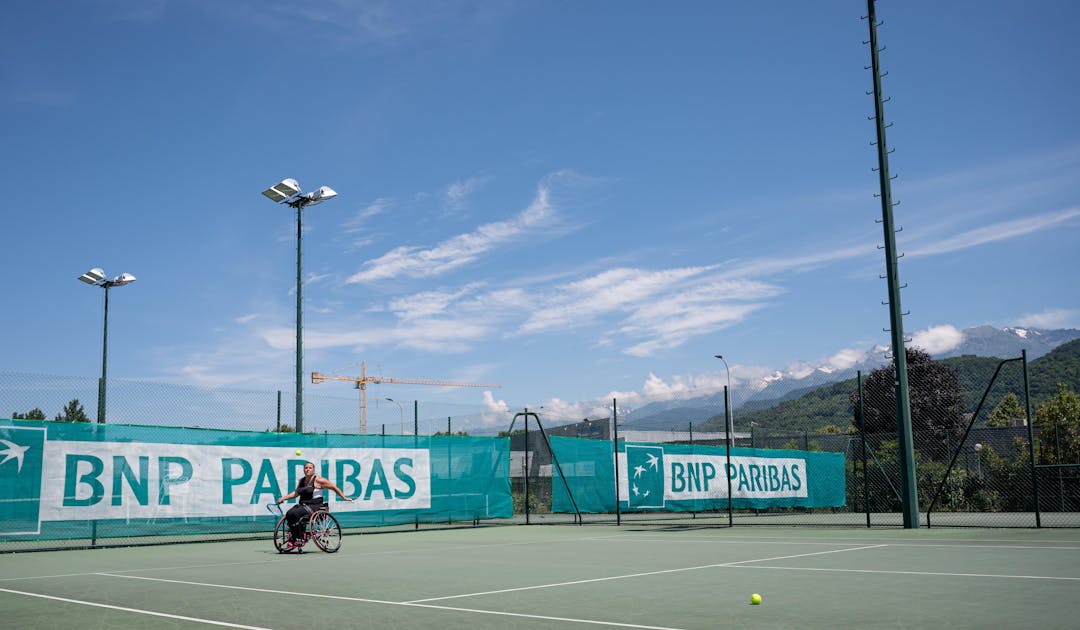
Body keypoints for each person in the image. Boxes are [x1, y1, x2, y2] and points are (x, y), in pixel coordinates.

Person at [276, 461, 353, 548]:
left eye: (310, 468)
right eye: (306, 468)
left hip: (315, 506)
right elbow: (296, 493)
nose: (307, 469)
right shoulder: (302, 481)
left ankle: (299, 538)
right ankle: (295, 537)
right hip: (303, 505)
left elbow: (334, 487)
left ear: (313, 470)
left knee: (296, 513)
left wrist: (344, 497)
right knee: (289, 513)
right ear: (303, 470)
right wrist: (283, 498)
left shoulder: (319, 480)